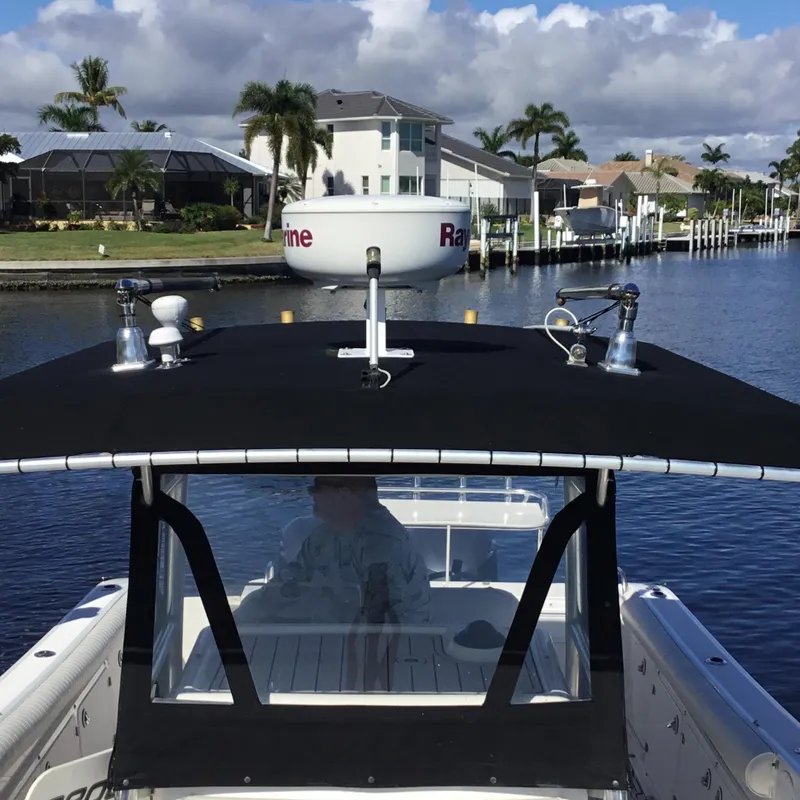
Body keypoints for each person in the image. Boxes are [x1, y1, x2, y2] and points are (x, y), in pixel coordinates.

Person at [278, 476, 431, 624]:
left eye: (317, 489)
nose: (312, 495)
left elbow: (379, 623)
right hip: (329, 637)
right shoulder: (323, 535)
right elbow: (292, 579)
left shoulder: (382, 543)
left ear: (343, 494)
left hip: (388, 645)